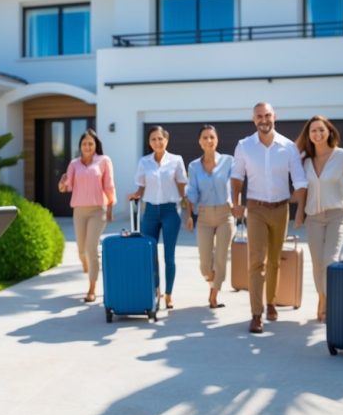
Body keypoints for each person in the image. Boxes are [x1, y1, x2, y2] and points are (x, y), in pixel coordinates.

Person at [231, 103, 307, 334]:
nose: (263, 120)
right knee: (256, 261)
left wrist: (300, 209)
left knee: (274, 260)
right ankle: (256, 314)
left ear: (275, 117)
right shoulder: (244, 146)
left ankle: (271, 301)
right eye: (259, 116)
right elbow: (236, 177)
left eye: (267, 115)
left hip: (281, 209)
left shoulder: (288, 147)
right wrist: (236, 203)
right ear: (254, 120)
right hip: (255, 209)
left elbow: (300, 180)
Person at [293, 115, 343, 322]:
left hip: (338, 214)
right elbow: (300, 188)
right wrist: (299, 212)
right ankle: (322, 298)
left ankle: (330, 302)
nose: (317, 134)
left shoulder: (342, 156)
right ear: (308, 135)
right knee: (317, 262)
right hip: (314, 217)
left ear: (329, 131)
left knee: (330, 260)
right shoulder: (304, 160)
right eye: (313, 131)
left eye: (321, 129)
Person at [129, 125, 188, 310]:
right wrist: (135, 195)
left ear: (166, 140)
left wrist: (188, 212)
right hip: (151, 213)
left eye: (160, 139)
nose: (157, 142)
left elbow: (182, 187)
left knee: (168, 257)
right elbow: (141, 187)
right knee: (149, 255)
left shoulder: (176, 160)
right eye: (153, 139)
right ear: (149, 142)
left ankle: (168, 294)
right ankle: (154, 291)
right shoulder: (144, 162)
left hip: (171, 212)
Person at [58, 128, 116, 303]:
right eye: (84, 143)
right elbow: (66, 187)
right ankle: (85, 263)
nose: (87, 146)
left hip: (98, 210)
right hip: (79, 211)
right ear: (80, 146)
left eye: (91, 143)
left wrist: (111, 207)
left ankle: (92, 288)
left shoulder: (104, 161)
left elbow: (109, 185)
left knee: (91, 248)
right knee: (81, 249)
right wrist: (61, 184)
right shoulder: (74, 164)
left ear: (96, 145)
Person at [184, 124, 234, 309]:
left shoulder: (229, 161)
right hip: (204, 215)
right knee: (205, 264)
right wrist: (189, 215)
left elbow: (236, 184)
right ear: (200, 142)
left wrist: (236, 204)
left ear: (217, 139)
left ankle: (214, 295)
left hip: (225, 214)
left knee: (221, 257)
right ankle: (211, 279)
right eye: (205, 138)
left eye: (212, 137)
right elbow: (192, 192)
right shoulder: (194, 166)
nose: (208, 141)